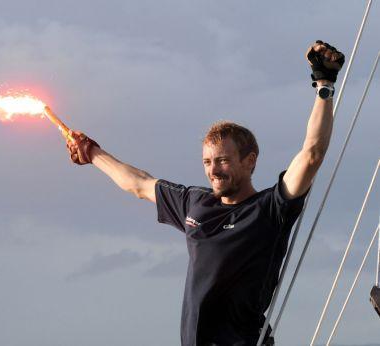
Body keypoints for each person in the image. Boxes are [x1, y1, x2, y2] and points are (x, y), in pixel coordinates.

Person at [65, 41, 345, 346]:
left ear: (249, 161)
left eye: (223, 160)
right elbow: (139, 183)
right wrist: (91, 153)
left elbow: (312, 154)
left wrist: (324, 85)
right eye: (208, 162)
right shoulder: (195, 204)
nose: (214, 170)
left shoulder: (271, 208)